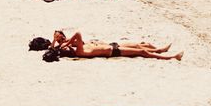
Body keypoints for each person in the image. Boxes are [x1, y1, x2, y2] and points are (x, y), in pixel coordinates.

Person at [51, 30, 184, 60]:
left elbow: (54, 48)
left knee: (141, 46)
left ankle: (160, 50)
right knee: (142, 52)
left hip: (111, 46)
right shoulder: (79, 51)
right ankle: (171, 57)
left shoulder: (78, 48)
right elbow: (78, 34)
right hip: (113, 51)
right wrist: (65, 43)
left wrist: (56, 41)